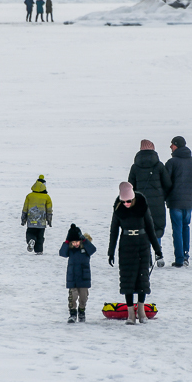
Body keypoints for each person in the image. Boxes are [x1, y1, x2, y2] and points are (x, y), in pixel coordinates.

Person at [108, 182, 165, 324]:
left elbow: (151, 229)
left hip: (142, 244)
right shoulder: (118, 209)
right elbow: (114, 231)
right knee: (127, 279)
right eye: (123, 201)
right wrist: (111, 251)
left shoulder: (142, 206)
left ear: (133, 198)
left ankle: (141, 311)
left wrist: (158, 251)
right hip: (126, 245)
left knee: (142, 279)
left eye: (128, 201)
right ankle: (130, 314)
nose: (126, 204)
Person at [164, 135, 192, 267]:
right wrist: (191, 193)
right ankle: (186, 255)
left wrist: (168, 195)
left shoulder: (172, 162)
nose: (170, 146)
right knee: (186, 227)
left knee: (177, 229)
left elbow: (165, 182)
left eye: (172, 144)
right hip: (189, 202)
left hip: (175, 202)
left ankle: (180, 259)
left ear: (176, 145)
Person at [127, 139, 169, 241]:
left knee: (143, 229)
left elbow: (130, 188)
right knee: (157, 229)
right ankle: (157, 253)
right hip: (158, 203)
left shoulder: (135, 167)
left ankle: (145, 254)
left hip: (141, 204)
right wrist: (162, 196)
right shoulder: (159, 166)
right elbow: (167, 184)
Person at [60, 224, 95, 323]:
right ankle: (72, 313)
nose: (76, 244)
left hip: (84, 277)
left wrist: (84, 240)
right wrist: (67, 241)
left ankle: (82, 312)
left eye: (77, 241)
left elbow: (93, 250)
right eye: (73, 242)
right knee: (73, 297)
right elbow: (62, 253)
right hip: (73, 277)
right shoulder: (70, 250)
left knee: (83, 297)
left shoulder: (86, 248)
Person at [20, 175, 53, 253]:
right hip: (41, 221)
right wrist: (49, 220)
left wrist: (23, 219)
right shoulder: (47, 197)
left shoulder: (29, 196)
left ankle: (31, 240)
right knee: (40, 236)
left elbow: (25, 209)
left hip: (31, 220)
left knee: (30, 233)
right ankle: (39, 251)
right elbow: (49, 210)